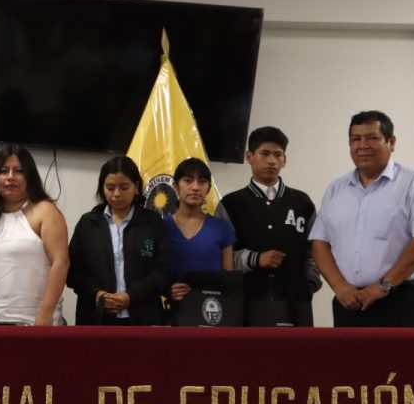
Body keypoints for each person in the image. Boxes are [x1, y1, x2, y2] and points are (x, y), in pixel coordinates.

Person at [310, 110, 414, 327]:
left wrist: (384, 285)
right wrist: (339, 286)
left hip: (401, 301)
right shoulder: (336, 189)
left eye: (372, 138)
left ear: (391, 142)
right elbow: (319, 243)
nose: (363, 146)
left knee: (404, 353)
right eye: (355, 139)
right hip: (349, 303)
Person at [219, 126, 321, 326]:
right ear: (249, 157)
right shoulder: (231, 204)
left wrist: (310, 283)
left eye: (278, 154)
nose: (272, 160)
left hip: (296, 302)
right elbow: (222, 257)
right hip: (247, 301)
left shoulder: (302, 202)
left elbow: (316, 250)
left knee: (298, 348)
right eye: (265, 154)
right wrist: (255, 258)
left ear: (285, 160)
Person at [68, 156, 172, 325]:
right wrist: (96, 294)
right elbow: (73, 271)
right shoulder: (88, 223)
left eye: (124, 187)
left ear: (136, 187)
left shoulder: (153, 223)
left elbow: (163, 271)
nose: (116, 194)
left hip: (143, 317)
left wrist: (131, 296)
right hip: (95, 317)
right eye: (110, 187)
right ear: (102, 188)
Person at [0, 145, 69, 325]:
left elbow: (61, 263)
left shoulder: (46, 211)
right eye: (4, 171)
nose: (10, 177)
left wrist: (46, 313)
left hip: (34, 321)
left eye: (19, 171)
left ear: (30, 176)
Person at [165, 157, 235, 304]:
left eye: (202, 181)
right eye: (188, 180)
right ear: (176, 186)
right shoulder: (161, 227)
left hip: (212, 308)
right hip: (174, 310)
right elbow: (153, 273)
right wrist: (166, 290)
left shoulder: (222, 228)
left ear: (208, 189)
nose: (195, 187)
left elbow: (228, 279)